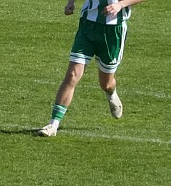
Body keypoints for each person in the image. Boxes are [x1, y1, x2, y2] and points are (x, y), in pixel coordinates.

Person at [37, 0, 144, 137]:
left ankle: (111, 93)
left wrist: (120, 5)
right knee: (72, 75)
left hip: (113, 31)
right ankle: (53, 124)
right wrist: (71, 3)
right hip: (88, 26)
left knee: (106, 83)